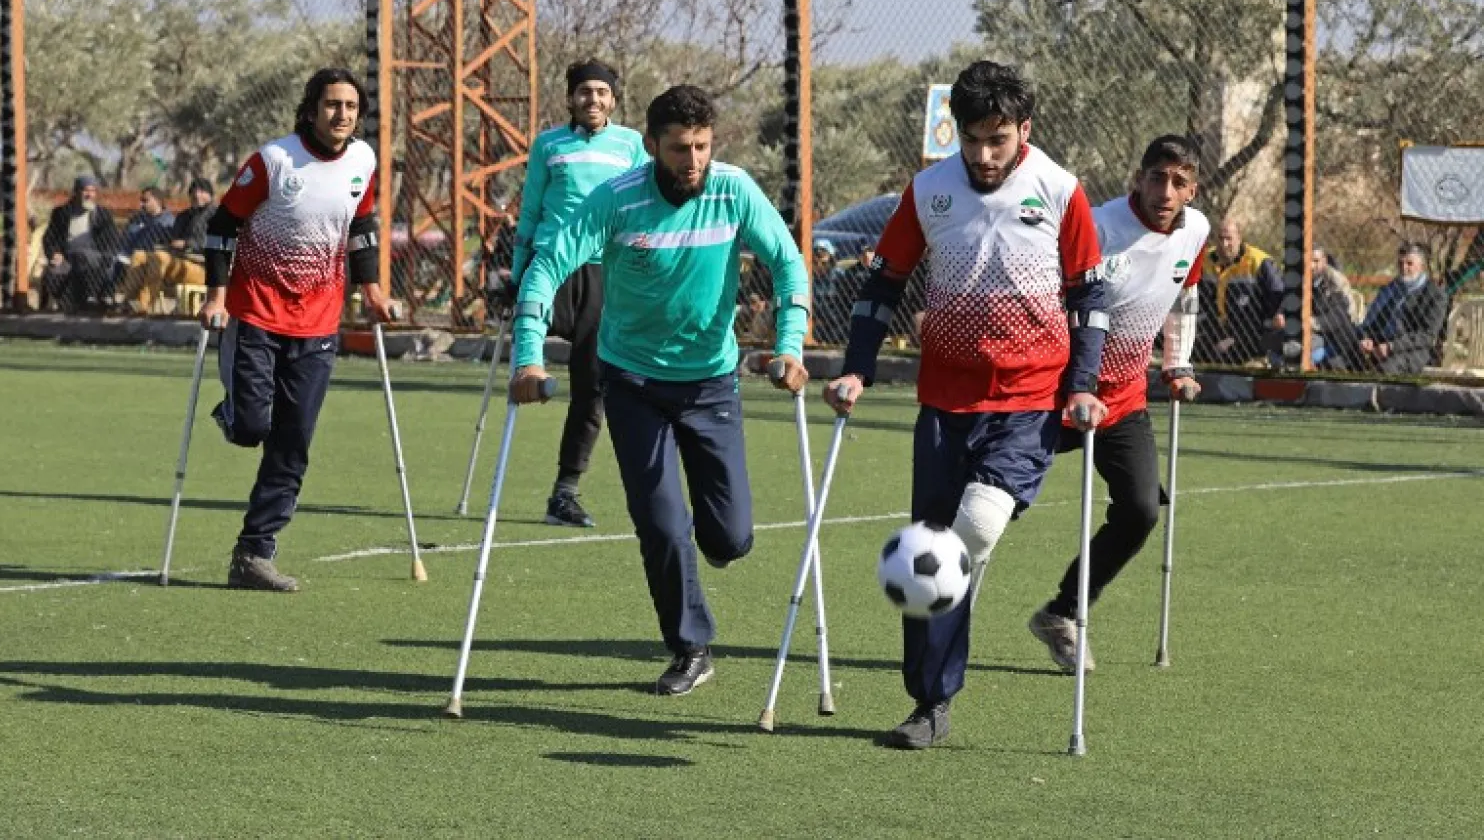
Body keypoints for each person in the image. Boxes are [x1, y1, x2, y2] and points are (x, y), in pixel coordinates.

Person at [823, 61, 1107, 750]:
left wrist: (1085, 382)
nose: (982, 156)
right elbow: (882, 285)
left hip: (1029, 400)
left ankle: (941, 662)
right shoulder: (929, 190)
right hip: (945, 402)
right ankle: (930, 703)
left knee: (969, 531)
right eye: (972, 140)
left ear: (1024, 131)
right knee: (932, 555)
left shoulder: (1059, 190)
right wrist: (857, 370)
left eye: (997, 140)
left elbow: (1090, 296)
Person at [509, 84, 809, 696]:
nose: (692, 161)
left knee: (729, 538)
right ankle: (690, 646)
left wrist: (790, 345)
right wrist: (528, 358)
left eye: (701, 146)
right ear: (651, 147)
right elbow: (548, 264)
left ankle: (718, 547)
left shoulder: (733, 189)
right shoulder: (617, 198)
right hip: (633, 381)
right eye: (679, 149)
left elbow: (787, 264)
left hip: (711, 383)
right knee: (661, 523)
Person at [199, 68, 391, 591]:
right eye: (332, 105)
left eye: (351, 107)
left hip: (319, 323)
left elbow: (361, 228)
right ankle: (234, 410)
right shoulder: (275, 160)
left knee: (294, 441)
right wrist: (215, 296)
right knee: (251, 430)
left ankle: (254, 553)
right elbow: (222, 227)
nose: (342, 115)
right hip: (256, 313)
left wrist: (372, 289)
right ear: (310, 109)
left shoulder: (364, 161)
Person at [1026, 135, 1209, 671]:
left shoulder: (1195, 230)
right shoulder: (1100, 226)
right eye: (1157, 177)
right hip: (1057, 393)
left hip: (1124, 398)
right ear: (1138, 176)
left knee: (1140, 512)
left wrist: (1177, 364)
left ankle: (1062, 613)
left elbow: (1186, 295)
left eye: (1179, 182)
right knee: (1002, 498)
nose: (1165, 191)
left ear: (1192, 190)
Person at [512, 58, 651, 529]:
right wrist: (518, 269)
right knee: (528, 364)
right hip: (552, 266)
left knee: (593, 384)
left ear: (614, 98)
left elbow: (643, 207)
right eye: (585, 92)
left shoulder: (632, 145)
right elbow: (530, 207)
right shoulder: (548, 144)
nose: (593, 100)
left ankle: (565, 492)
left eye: (602, 92)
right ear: (570, 97)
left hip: (604, 271)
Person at [1343, 242, 1448, 374]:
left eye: (1409, 263)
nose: (1404, 268)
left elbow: (1427, 336)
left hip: (1412, 350)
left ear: (1422, 266)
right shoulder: (1391, 288)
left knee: (1385, 369)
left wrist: (1392, 347)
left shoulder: (1435, 294)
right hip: (1380, 342)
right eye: (1400, 263)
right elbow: (1371, 319)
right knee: (1340, 359)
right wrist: (1366, 338)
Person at [1193, 218, 1284, 365]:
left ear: (1239, 238)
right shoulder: (1205, 260)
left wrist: (1237, 338)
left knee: (1225, 354)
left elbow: (1277, 300)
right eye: (1220, 239)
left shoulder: (1259, 261)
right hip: (1215, 328)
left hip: (1252, 331)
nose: (1224, 244)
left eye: (1229, 239)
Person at [41, 175, 117, 311]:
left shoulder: (103, 214)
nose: (90, 195)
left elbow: (111, 240)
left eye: (93, 191)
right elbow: (50, 238)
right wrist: (54, 253)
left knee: (82, 258)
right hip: (67, 257)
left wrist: (105, 256)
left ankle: (88, 302)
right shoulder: (61, 213)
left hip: (95, 257)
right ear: (76, 192)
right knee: (52, 273)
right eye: (86, 190)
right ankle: (67, 304)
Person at [1309, 246, 1360, 369]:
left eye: (1315, 261)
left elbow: (1337, 317)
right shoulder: (1302, 279)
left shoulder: (1336, 282)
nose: (1311, 266)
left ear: (1324, 261)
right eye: (1308, 261)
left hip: (1338, 341)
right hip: (1317, 334)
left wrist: (1311, 322)